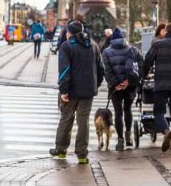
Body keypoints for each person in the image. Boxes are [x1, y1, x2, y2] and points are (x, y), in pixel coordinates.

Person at [49, 20, 104, 164]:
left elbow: (65, 70)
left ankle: (61, 150)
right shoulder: (93, 45)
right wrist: (96, 84)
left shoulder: (66, 46)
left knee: (66, 119)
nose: (66, 34)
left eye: (67, 31)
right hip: (88, 91)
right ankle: (81, 155)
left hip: (71, 91)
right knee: (83, 122)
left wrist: (63, 90)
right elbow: (100, 68)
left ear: (70, 33)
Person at [142, 23, 171, 152]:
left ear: (166, 31)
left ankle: (166, 131)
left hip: (161, 82)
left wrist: (145, 74)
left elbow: (147, 61)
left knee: (159, 111)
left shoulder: (157, 45)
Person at [102, 28, 143, 151]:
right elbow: (140, 67)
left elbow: (107, 71)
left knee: (118, 112)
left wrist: (117, 83)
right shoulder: (133, 50)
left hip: (115, 88)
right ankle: (129, 136)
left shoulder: (106, 52)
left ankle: (120, 141)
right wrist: (129, 81)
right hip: (130, 86)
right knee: (128, 109)